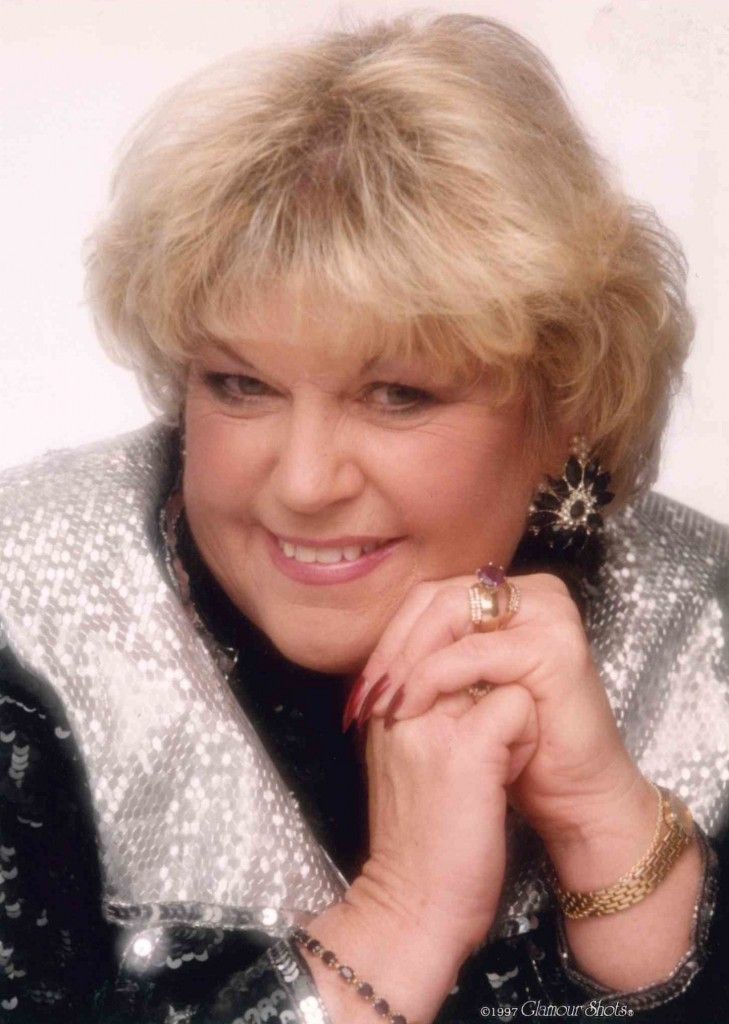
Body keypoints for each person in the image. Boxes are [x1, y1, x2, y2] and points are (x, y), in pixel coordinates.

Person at [0, 11, 727, 1023]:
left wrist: (608, 832)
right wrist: (403, 915)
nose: (303, 482)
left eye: (398, 395)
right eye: (241, 384)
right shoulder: (27, 624)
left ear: (565, 406)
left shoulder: (703, 628)